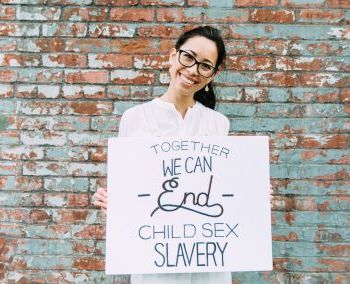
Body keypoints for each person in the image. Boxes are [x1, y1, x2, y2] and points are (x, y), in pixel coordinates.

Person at [93, 26, 271, 284]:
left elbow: (223, 191)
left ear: (213, 74)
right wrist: (112, 203)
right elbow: (133, 197)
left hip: (209, 268)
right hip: (155, 266)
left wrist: (252, 199)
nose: (193, 70)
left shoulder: (218, 123)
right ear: (173, 55)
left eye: (205, 65)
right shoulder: (135, 118)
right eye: (188, 57)